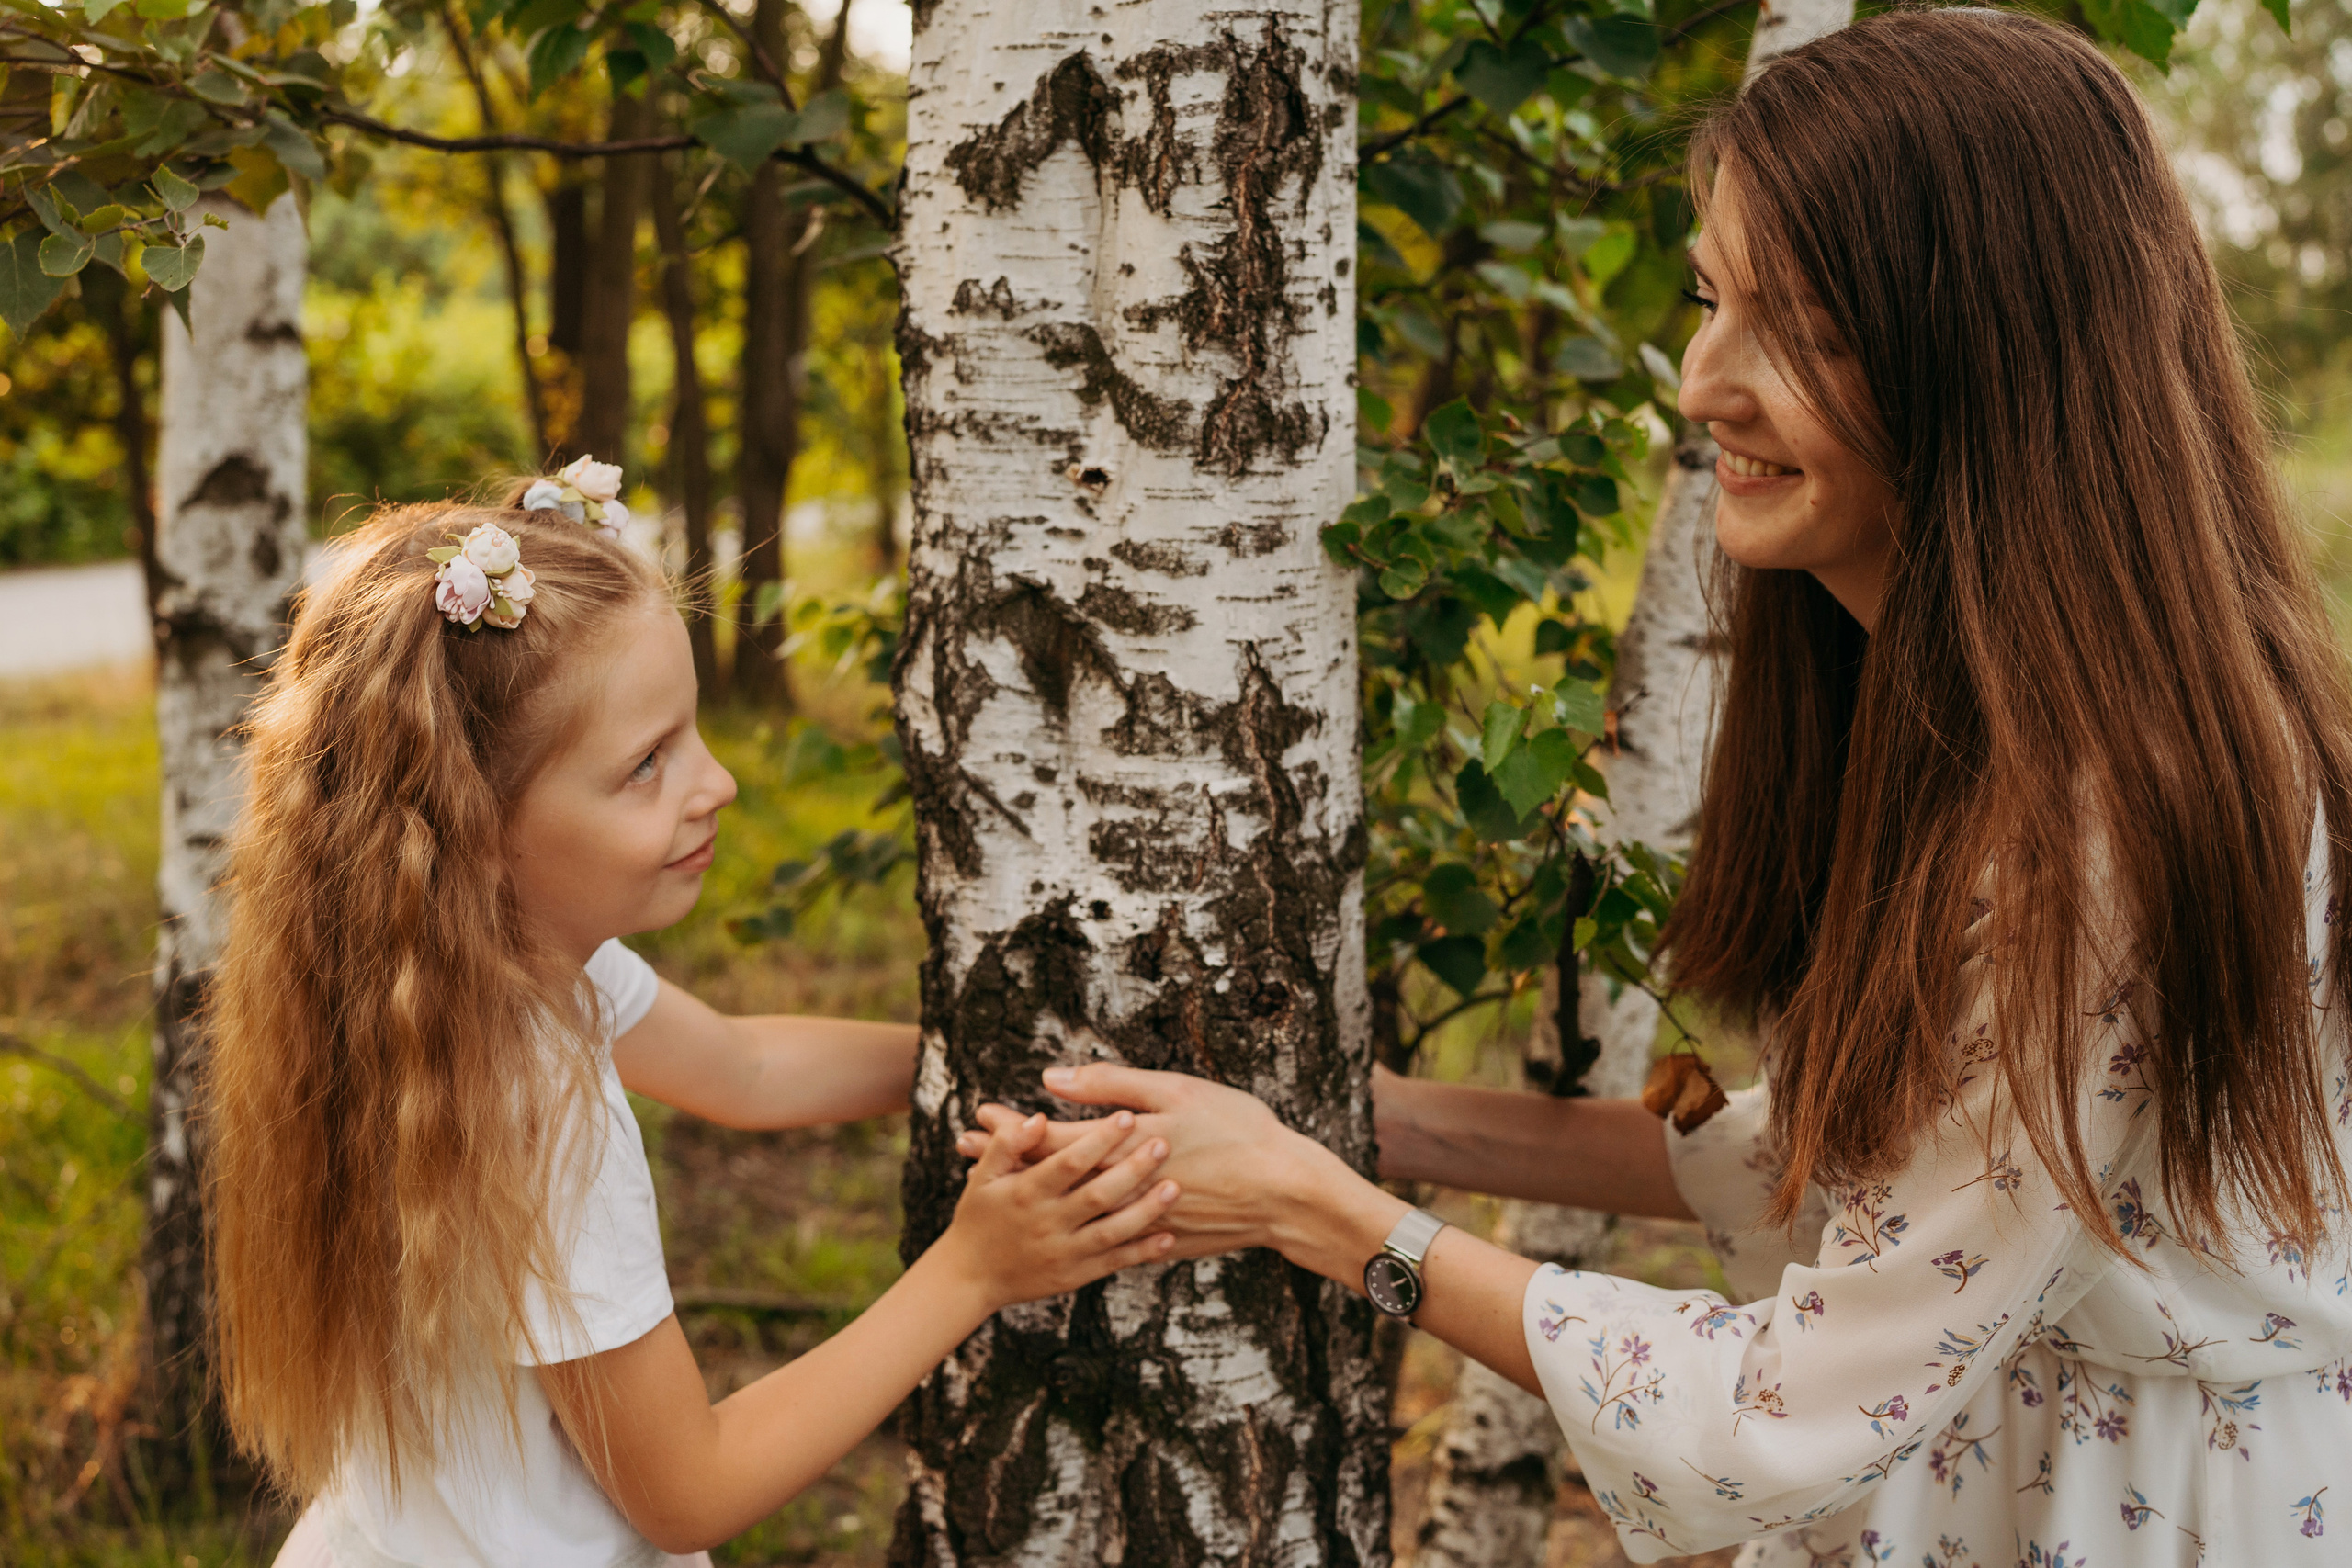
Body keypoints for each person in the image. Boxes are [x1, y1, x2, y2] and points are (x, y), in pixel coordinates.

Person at [960, 9, 2352, 1562]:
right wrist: (1373, 1123)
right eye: (1709, 300)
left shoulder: (2104, 821)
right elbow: (1887, 1163)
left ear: (1995, 355)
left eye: (1803, 324)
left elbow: (1784, 1407)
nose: (1701, 383)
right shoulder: (1980, 721)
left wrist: (1324, 1213)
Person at [203, 468, 1182, 1568]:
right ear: (475, 833)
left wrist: (988, 1060)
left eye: (692, 733)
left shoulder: (466, 981)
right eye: (645, 766)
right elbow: (691, 1489)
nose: (714, 784)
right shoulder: (533, 1106)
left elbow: (747, 1068)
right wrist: (976, 1270)